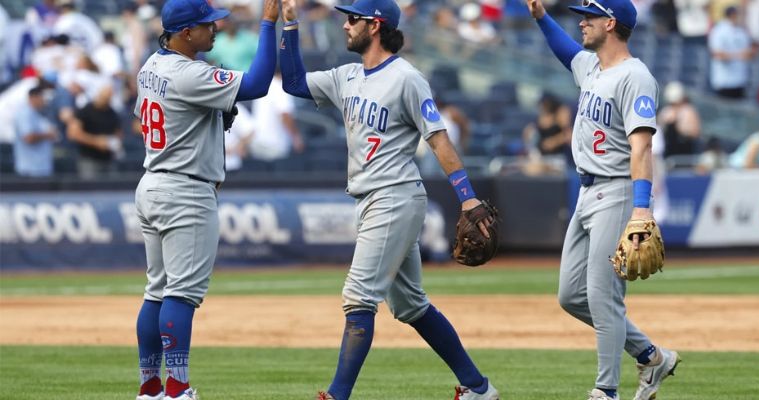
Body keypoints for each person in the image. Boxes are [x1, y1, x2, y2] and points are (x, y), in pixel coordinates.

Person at [278, 0, 499, 399]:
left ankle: (338, 394)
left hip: (395, 196)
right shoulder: (346, 75)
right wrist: (289, 27)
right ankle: (478, 388)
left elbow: (438, 139)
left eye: (352, 19)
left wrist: (467, 199)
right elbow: (293, 83)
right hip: (371, 198)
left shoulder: (406, 78)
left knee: (358, 296)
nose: (345, 24)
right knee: (412, 306)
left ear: (375, 26)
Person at [526, 1, 680, 399]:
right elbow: (565, 52)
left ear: (610, 23)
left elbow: (642, 147)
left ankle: (605, 391)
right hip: (586, 192)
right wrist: (542, 17)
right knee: (571, 295)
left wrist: (642, 208)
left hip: (617, 191)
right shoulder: (593, 67)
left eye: (589, 16)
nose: (581, 21)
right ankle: (651, 356)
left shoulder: (635, 77)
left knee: (602, 295)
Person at [132, 0, 278, 399]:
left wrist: (212, 117)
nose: (214, 29)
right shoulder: (188, 73)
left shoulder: (151, 66)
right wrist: (268, 25)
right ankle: (177, 389)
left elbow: (157, 114)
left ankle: (150, 388)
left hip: (153, 181)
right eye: (205, 25)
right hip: (185, 189)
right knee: (180, 294)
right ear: (184, 33)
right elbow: (258, 85)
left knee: (156, 291)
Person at [66, 83, 123, 178]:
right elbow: (72, 133)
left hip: (108, 159)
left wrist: (114, 143)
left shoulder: (113, 113)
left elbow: (118, 133)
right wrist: (96, 141)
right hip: (89, 159)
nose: (106, 100)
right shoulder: (85, 111)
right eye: (104, 97)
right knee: (90, 190)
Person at [248, 69, 304, 161]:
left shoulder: (264, 85)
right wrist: (296, 138)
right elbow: (285, 115)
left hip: (258, 143)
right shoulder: (280, 87)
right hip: (274, 145)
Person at [708, 5, 758, 99]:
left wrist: (749, 53)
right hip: (724, 81)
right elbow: (717, 54)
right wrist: (739, 55)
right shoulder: (719, 30)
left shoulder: (742, 31)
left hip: (740, 80)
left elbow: (749, 53)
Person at [13, 85, 58, 177]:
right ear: (33, 98)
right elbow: (29, 138)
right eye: (42, 97)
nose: (44, 101)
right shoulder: (24, 114)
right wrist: (48, 135)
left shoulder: (38, 114)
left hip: (41, 169)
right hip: (29, 170)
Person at [658, 81, 700, 158]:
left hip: (686, 153)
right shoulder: (665, 112)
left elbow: (695, 133)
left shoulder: (688, 111)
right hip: (669, 153)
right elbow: (660, 132)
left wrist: (680, 126)